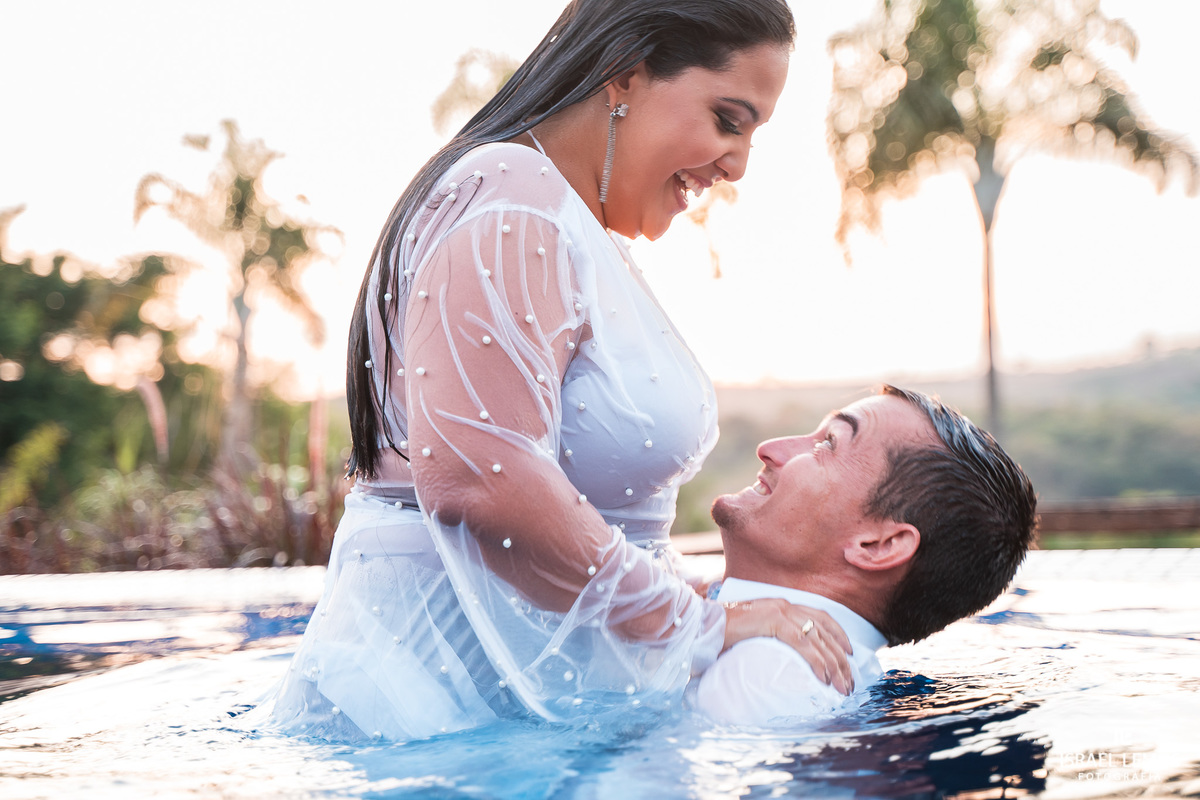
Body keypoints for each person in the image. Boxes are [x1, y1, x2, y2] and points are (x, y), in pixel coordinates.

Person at [269, 0, 855, 742]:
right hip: (425, 732)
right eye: (727, 120)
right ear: (625, 74)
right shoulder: (512, 195)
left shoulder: (567, 221)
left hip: (513, 736)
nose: (737, 165)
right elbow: (481, 479)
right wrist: (700, 625)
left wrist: (707, 610)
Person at [692, 385, 1038, 726]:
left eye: (827, 444)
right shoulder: (815, 673)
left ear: (878, 545)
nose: (769, 448)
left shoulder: (764, 675)